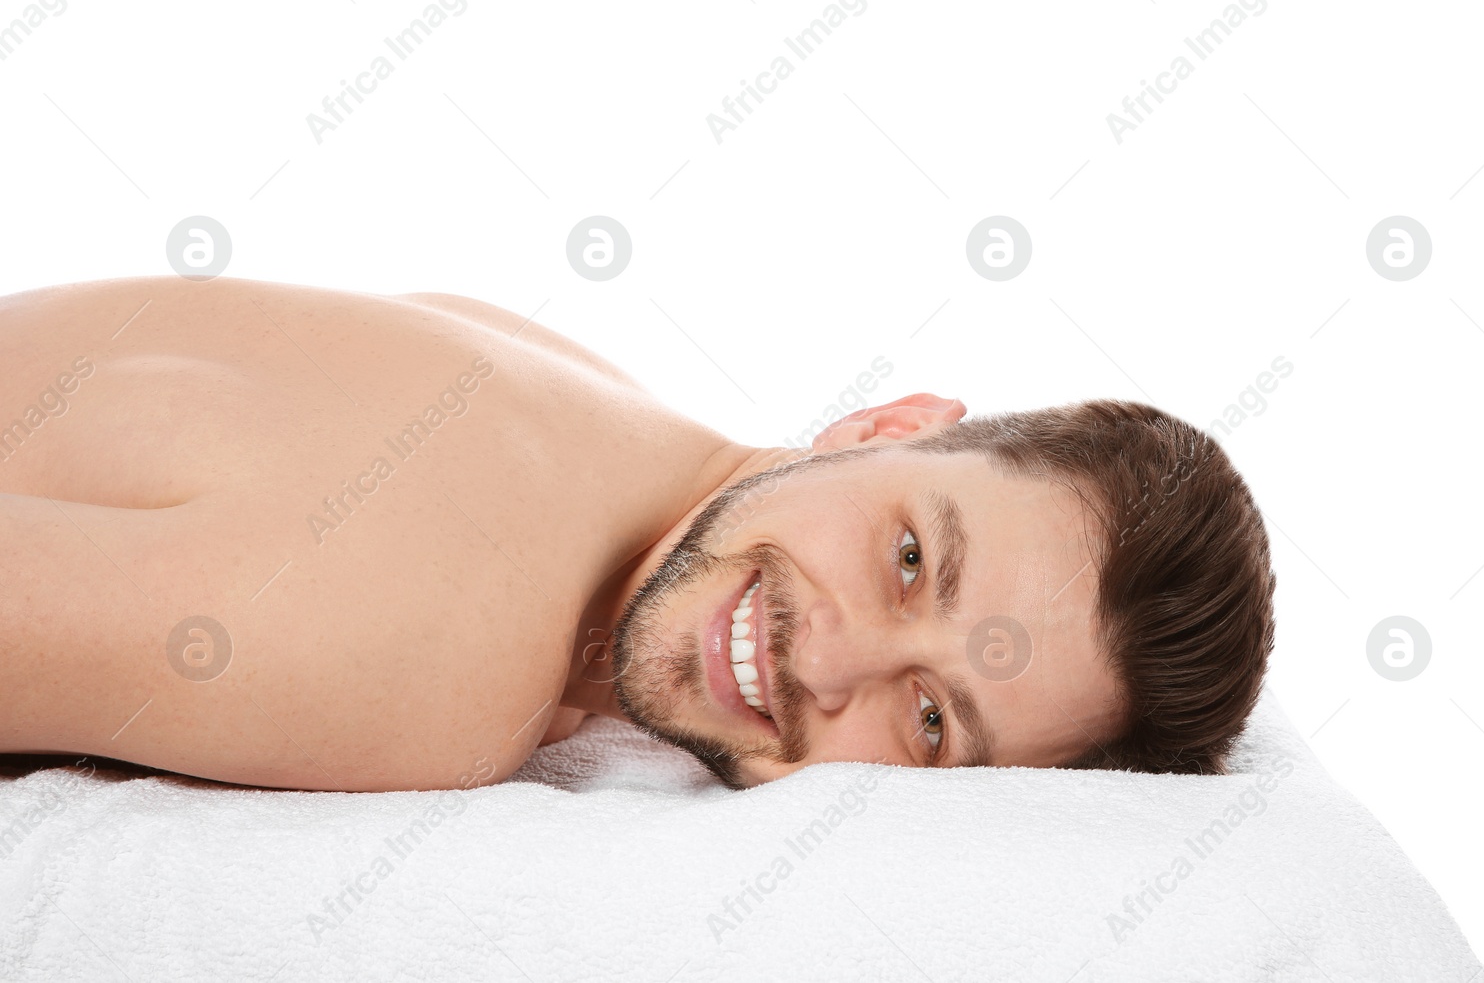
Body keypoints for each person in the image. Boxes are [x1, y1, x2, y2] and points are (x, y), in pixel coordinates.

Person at [0, 276, 1275, 792]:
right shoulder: (445, 661)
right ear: (888, 421)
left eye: (931, 719)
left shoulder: (574, 394)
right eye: (907, 559)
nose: (823, 665)